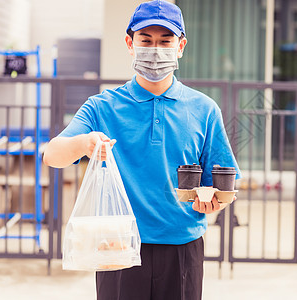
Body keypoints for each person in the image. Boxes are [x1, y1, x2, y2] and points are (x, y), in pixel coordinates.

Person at [43, 1, 241, 299]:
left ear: (181, 46)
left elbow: (223, 181)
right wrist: (84, 143)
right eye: (146, 41)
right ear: (130, 43)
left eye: (165, 41)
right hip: (118, 245)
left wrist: (214, 202)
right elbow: (53, 155)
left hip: (182, 247)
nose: (155, 50)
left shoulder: (203, 109)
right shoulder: (103, 107)